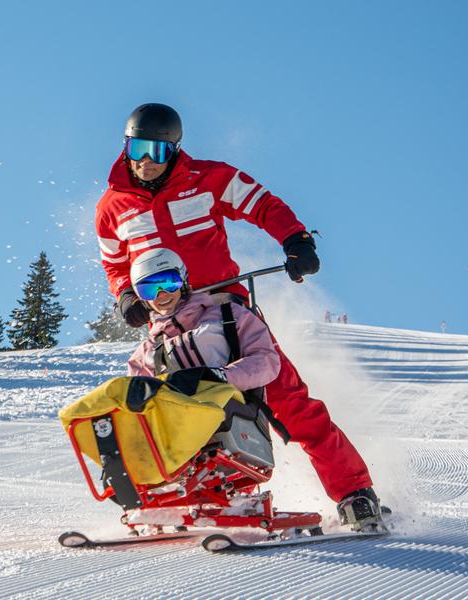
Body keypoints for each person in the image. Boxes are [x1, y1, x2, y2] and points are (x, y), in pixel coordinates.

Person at [94, 102, 382, 530]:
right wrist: (124, 296)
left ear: (174, 150)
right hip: (170, 322)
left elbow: (263, 204)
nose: (145, 161)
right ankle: (192, 495)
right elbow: (116, 264)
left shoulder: (208, 179)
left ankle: (355, 494)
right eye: (137, 148)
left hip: (225, 310)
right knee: (165, 407)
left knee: (286, 399)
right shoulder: (112, 207)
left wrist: (295, 240)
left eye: (157, 151)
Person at [126, 248, 280, 394]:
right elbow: (133, 397)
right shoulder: (148, 351)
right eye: (149, 290)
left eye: (169, 283)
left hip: (236, 415)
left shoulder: (229, 315)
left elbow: (267, 361)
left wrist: (221, 377)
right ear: (140, 298)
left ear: (183, 280)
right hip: (183, 420)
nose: (161, 294)